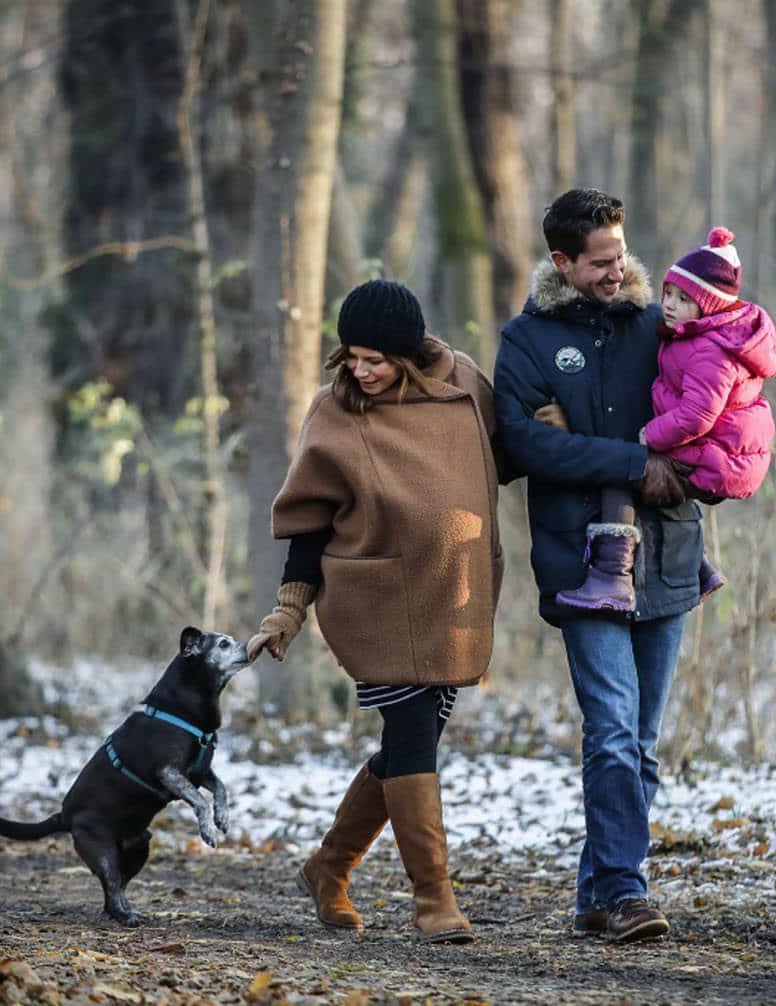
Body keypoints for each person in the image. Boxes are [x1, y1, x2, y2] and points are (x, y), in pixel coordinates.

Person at [247, 279, 502, 945]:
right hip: (376, 600)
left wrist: (554, 428)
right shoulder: (337, 412)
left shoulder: (465, 385)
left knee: (409, 741)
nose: (360, 371)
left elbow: (501, 457)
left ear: (411, 356)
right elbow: (309, 519)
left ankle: (328, 869)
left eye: (375, 360)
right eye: (352, 357)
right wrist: (288, 610)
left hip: (453, 597)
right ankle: (434, 900)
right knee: (414, 733)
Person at [493, 188, 699, 943]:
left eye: (622, 254)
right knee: (611, 730)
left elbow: (712, 414)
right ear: (561, 263)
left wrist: (633, 453)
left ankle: (597, 893)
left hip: (668, 555)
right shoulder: (528, 341)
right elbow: (522, 445)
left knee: (639, 743)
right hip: (580, 563)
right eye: (601, 262)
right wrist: (630, 458)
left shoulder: (661, 325)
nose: (619, 271)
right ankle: (626, 891)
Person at [553, 226, 776, 613]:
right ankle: (696, 569)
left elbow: (697, 415)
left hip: (720, 453)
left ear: (710, 307)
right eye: (668, 294)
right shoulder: (695, 336)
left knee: (622, 469)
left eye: (684, 299)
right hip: (718, 449)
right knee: (653, 483)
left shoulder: (711, 351)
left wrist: (650, 435)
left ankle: (612, 577)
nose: (670, 305)